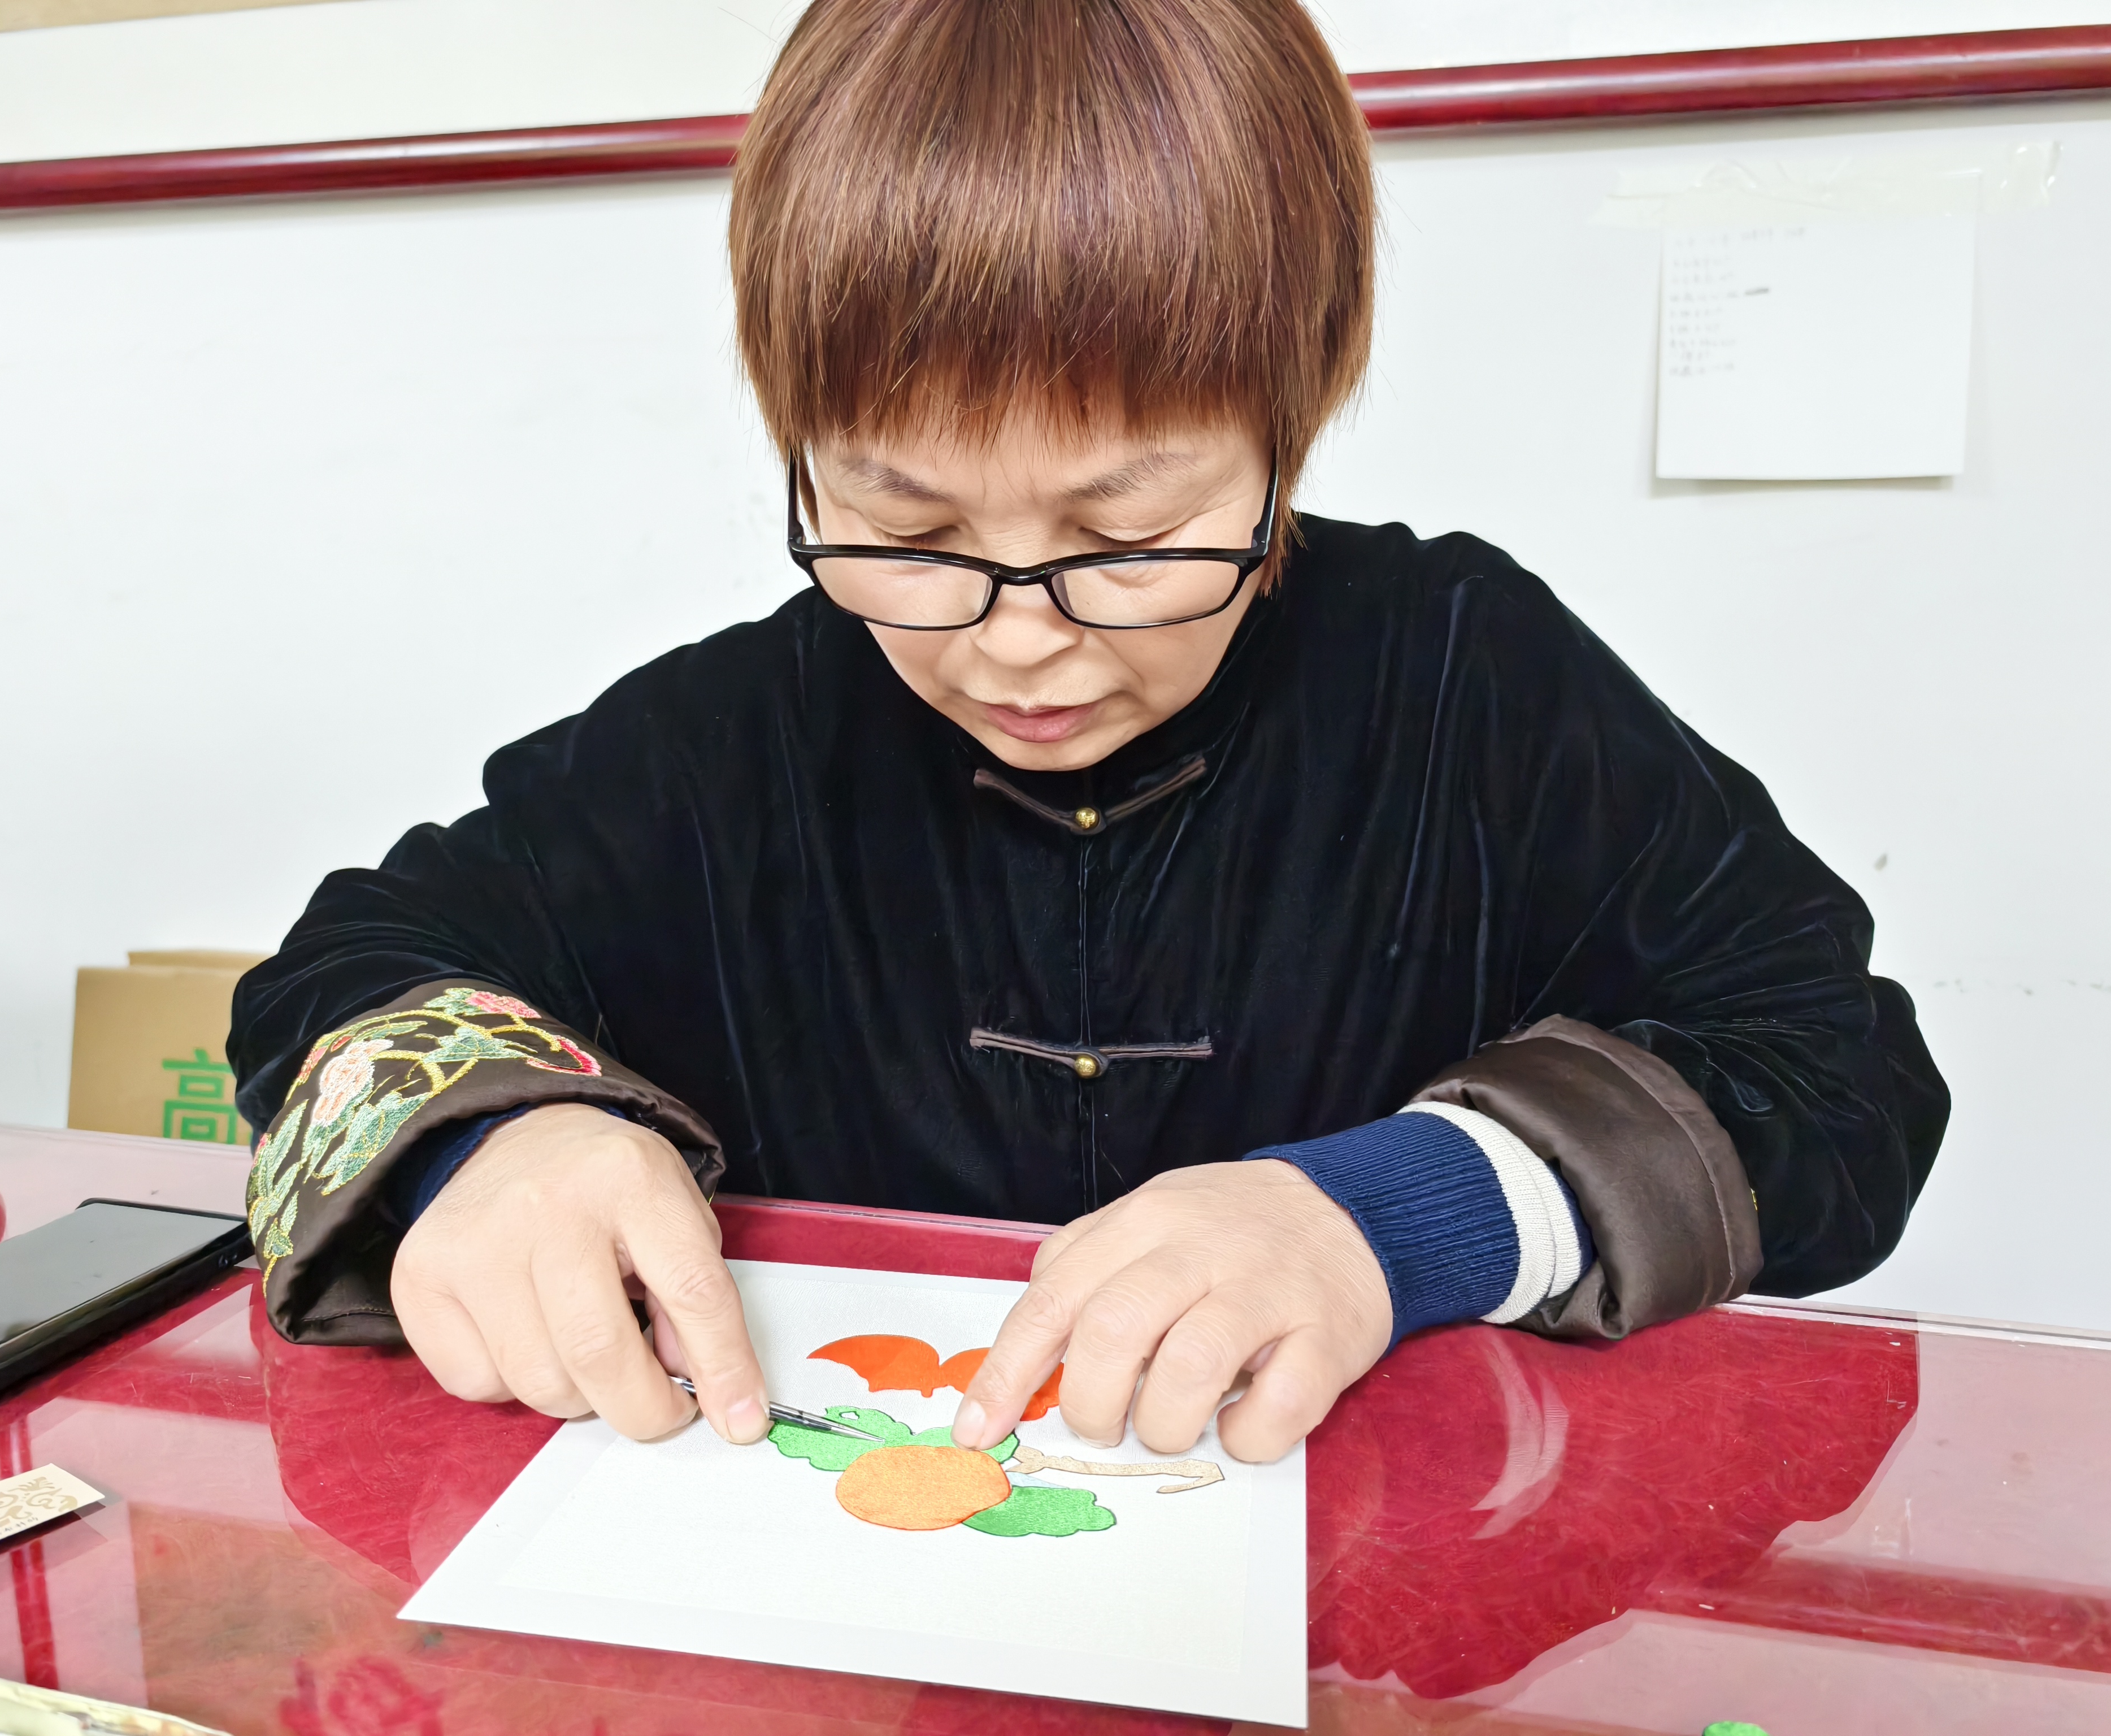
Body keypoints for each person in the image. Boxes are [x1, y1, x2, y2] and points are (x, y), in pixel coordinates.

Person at [228, 0, 1947, 1469]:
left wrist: (1407, 1211)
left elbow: (1835, 1074)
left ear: (1292, 426)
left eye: (1128, 540)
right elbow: (346, 973)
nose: (1020, 641)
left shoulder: (1467, 681)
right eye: (906, 532)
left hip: (1355, 1611)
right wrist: (487, 1144)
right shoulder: (723, 744)